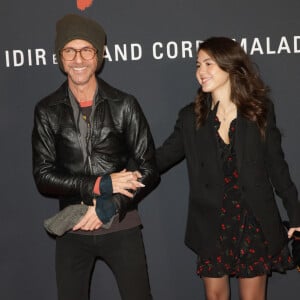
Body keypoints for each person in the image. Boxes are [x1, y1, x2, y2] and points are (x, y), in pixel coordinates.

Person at [156, 37, 300, 300]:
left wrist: (296, 214)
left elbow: (278, 168)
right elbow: (161, 158)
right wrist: (123, 171)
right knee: (215, 297)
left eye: (208, 63)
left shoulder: (259, 111)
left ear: (230, 66)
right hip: (212, 223)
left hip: (253, 220)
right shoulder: (191, 117)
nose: (201, 71)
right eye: (198, 64)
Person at [32, 14, 159, 300]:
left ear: (98, 57)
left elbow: (148, 168)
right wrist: (102, 184)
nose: (78, 58)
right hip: (72, 228)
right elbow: (43, 176)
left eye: (86, 49)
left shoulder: (124, 105)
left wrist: (108, 205)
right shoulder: (47, 110)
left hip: (121, 224)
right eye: (69, 50)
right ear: (60, 57)